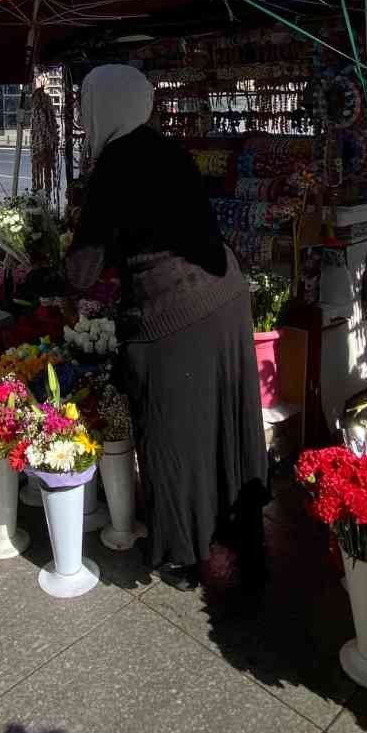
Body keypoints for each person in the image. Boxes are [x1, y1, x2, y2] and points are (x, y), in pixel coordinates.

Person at [64, 64, 267, 591]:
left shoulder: (114, 162)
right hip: (225, 297)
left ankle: (181, 552)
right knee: (220, 421)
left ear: (101, 106)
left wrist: (53, 271)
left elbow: (83, 269)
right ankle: (233, 525)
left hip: (173, 314)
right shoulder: (166, 147)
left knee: (172, 434)